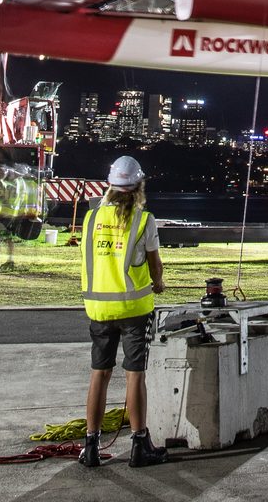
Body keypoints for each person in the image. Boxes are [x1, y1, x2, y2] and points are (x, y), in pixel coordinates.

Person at [78, 155, 167, 470]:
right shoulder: (144, 219)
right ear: (138, 187)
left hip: (99, 307)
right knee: (134, 374)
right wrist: (158, 283)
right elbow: (154, 264)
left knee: (99, 374)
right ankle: (139, 444)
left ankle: (90, 445)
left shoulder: (91, 218)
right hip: (133, 308)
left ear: (110, 185)